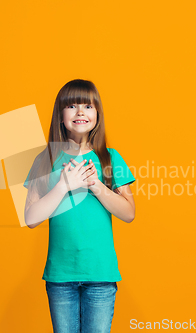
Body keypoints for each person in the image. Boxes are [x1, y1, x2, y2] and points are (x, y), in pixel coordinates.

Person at [23, 79, 136, 333]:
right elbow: (31, 218)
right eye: (72, 106)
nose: (81, 112)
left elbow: (129, 213)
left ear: (97, 114)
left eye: (88, 106)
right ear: (60, 115)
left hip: (101, 275)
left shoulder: (109, 158)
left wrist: (96, 185)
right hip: (60, 276)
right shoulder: (45, 159)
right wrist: (63, 186)